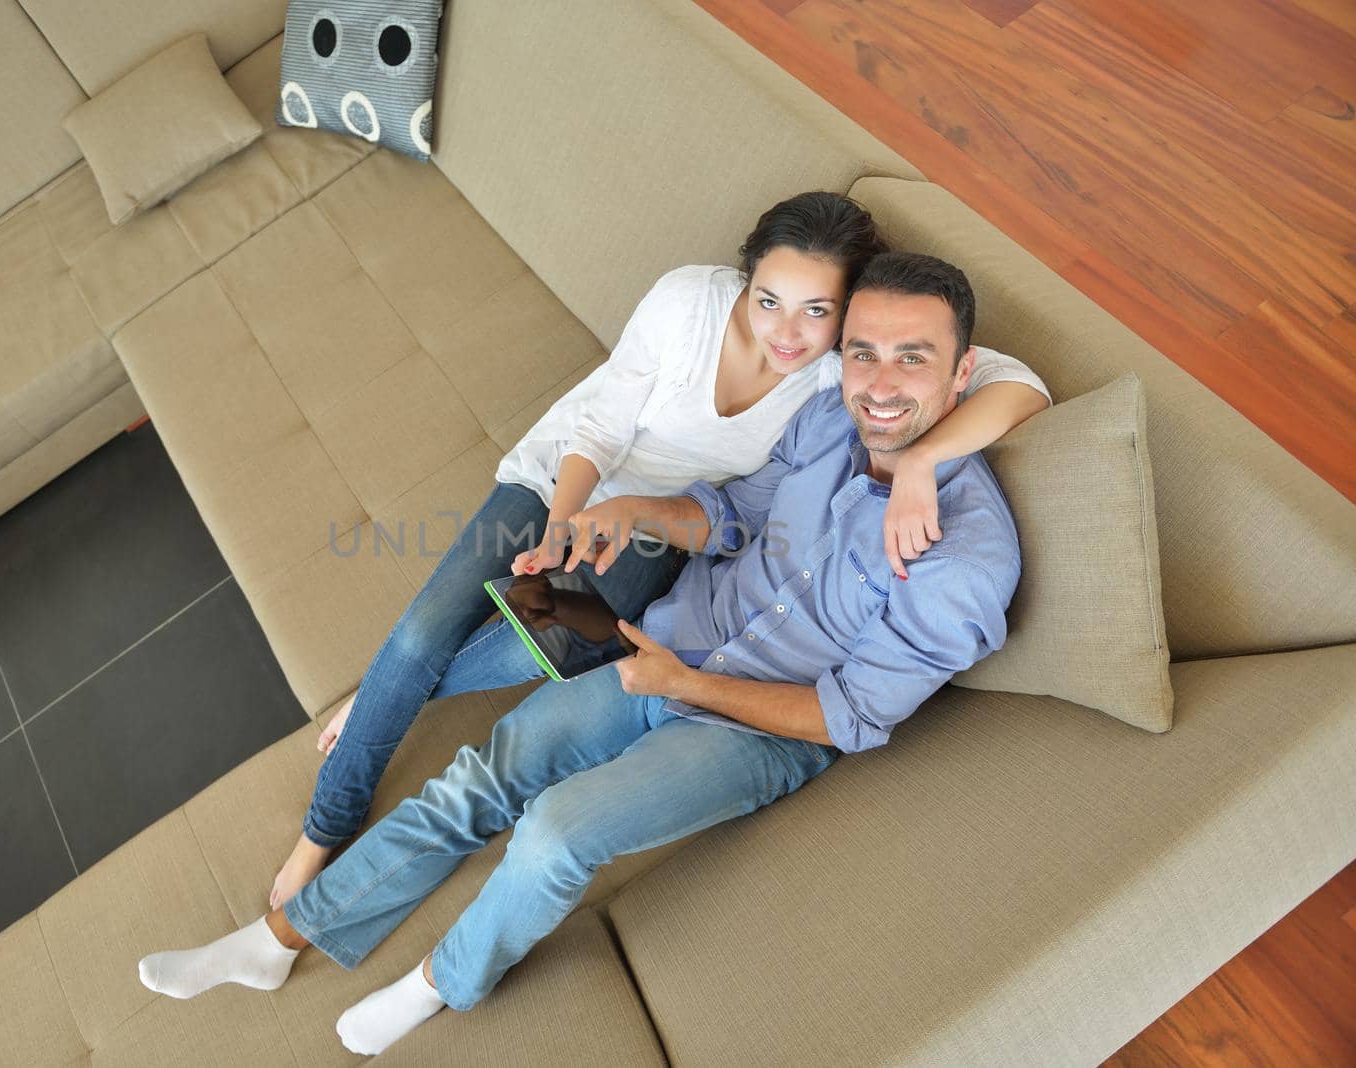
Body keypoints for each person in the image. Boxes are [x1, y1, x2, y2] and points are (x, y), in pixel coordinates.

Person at [139, 252, 1027, 1056]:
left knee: (556, 831)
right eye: (863, 353)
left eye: (913, 358)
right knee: (486, 773)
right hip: (667, 641)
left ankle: (439, 983)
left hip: (761, 731)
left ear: (964, 374)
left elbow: (850, 716)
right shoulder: (829, 424)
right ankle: (275, 941)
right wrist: (637, 512)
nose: (876, 382)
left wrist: (689, 685)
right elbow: (732, 517)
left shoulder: (968, 560)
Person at [264, 192, 1051, 910]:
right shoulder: (689, 302)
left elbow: (1017, 382)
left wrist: (919, 462)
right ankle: (325, 825)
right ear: (742, 281)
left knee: (550, 643)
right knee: (420, 633)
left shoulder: (834, 380)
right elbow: (601, 426)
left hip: (666, 524)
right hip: (569, 479)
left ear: (844, 321)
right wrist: (561, 524)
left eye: (818, 313)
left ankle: (393, 693)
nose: (787, 332)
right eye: (769, 299)